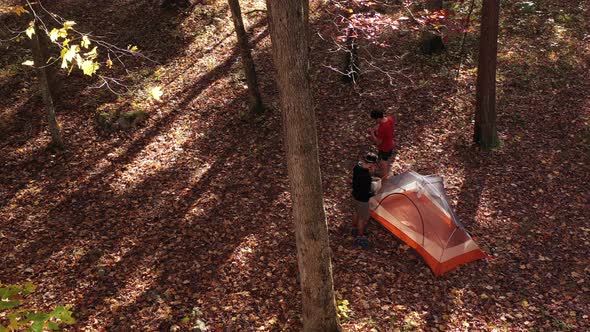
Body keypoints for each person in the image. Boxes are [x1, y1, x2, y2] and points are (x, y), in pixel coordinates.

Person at [351, 152, 378, 248]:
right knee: (362, 218)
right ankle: (360, 236)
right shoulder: (366, 176)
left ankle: (353, 228)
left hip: (355, 195)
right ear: (372, 164)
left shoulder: (357, 166)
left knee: (355, 212)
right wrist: (374, 193)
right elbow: (366, 191)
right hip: (362, 199)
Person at [368, 110, 395, 180]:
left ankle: (385, 178)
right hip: (391, 143)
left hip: (385, 147)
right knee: (387, 159)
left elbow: (378, 142)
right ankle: (384, 173)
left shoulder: (382, 129)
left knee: (383, 162)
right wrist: (376, 127)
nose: (375, 121)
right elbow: (384, 124)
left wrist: (372, 133)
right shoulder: (389, 119)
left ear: (378, 118)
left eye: (375, 119)